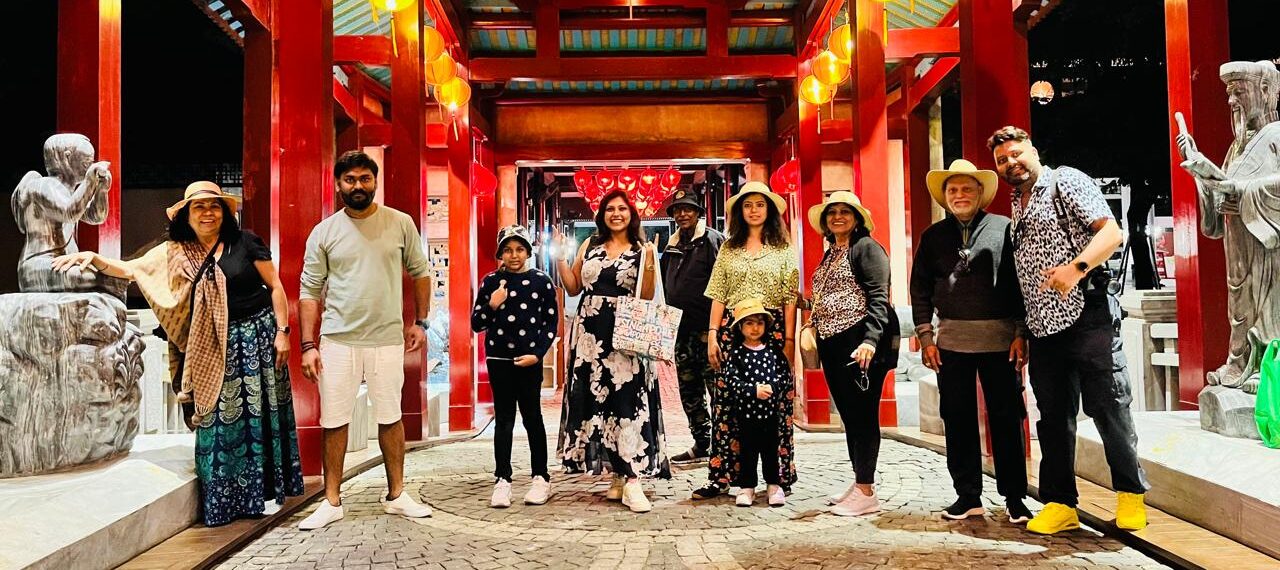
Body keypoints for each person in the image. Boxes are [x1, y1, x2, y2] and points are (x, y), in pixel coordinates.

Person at [52, 181, 304, 527]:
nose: (207, 213)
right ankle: (222, 504)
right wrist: (94, 259)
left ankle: (255, 498)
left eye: (214, 206)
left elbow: (275, 287)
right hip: (210, 346)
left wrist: (283, 332)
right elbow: (133, 270)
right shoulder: (175, 252)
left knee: (258, 418)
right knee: (216, 421)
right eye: (199, 207)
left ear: (224, 212)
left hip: (257, 340)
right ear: (186, 215)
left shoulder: (245, 242)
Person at [988, 126, 1149, 534]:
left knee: (1109, 406)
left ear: (1033, 150)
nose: (1011, 163)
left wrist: (1076, 269)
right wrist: (1023, 329)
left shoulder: (1066, 181)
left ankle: (1130, 493)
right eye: (1002, 160)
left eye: (1016, 154)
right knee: (1054, 419)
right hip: (1043, 327)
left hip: (1088, 315)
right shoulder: (1017, 204)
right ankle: (1060, 503)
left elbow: (1111, 232)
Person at [297, 151, 434, 530]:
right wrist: (308, 345)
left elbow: (421, 272)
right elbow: (309, 291)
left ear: (375, 181)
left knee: (391, 416)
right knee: (334, 420)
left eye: (364, 178)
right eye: (350, 180)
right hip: (337, 340)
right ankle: (331, 500)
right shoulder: (324, 232)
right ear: (338, 185)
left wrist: (421, 322)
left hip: (387, 338)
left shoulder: (400, 223)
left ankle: (397, 495)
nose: (358, 185)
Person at [911, 159, 1032, 524]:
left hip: (1001, 341)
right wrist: (926, 336)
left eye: (967, 189)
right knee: (956, 417)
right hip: (950, 342)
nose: (959, 195)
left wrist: (1021, 332)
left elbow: (1022, 283)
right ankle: (967, 496)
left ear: (980, 194)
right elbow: (920, 289)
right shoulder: (933, 237)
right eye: (953, 190)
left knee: (1007, 418)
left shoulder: (1005, 228)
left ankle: (1015, 497)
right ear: (945, 196)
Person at [553, 189, 670, 513]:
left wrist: (650, 264)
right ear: (601, 215)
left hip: (625, 333)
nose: (616, 213)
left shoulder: (642, 250)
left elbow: (647, 296)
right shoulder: (590, 246)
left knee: (627, 401)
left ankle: (633, 479)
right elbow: (573, 287)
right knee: (597, 402)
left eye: (622, 208)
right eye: (610, 209)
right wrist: (560, 257)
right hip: (590, 334)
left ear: (632, 214)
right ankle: (617, 474)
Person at [695, 181, 798, 500]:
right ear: (740, 211)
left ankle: (777, 478)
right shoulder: (729, 248)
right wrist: (713, 335)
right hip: (733, 332)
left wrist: (789, 340)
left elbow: (790, 297)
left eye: (760, 204)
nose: (754, 210)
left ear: (770, 210)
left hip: (773, 331)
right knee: (727, 404)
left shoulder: (783, 248)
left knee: (776, 404)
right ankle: (724, 476)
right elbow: (718, 294)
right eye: (748, 205)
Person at [799, 191, 899, 517]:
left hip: (860, 343)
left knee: (863, 416)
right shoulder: (833, 252)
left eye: (845, 211)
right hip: (834, 343)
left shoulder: (866, 248)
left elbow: (879, 297)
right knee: (849, 416)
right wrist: (806, 304)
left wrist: (870, 340)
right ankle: (859, 482)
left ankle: (866, 491)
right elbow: (834, 295)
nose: (838, 217)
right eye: (832, 212)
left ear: (857, 218)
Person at [471, 225, 559, 508]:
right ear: (500, 253)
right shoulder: (491, 282)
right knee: (504, 419)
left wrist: (538, 354)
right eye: (508, 250)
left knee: (533, 417)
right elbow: (477, 323)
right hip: (499, 360)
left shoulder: (541, 281)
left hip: (530, 361)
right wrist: (493, 304)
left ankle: (541, 477)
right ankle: (502, 479)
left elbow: (550, 323)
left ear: (528, 252)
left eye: (520, 249)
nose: (514, 255)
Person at [659, 187, 726, 463]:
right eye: (678, 210)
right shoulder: (671, 245)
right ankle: (702, 443)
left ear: (698, 213)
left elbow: (724, 284)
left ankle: (723, 446)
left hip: (709, 332)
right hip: (681, 332)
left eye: (688, 209)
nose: (682, 214)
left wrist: (717, 330)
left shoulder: (712, 240)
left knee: (717, 390)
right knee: (689, 391)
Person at [721, 298, 794, 508]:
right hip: (746, 415)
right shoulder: (737, 353)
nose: (755, 328)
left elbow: (784, 375)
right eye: (749, 323)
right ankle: (747, 486)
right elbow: (731, 380)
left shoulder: (773, 352)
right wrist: (753, 390)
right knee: (748, 452)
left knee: (771, 452)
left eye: (759, 323)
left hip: (770, 415)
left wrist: (772, 387)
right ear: (740, 327)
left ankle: (773, 485)